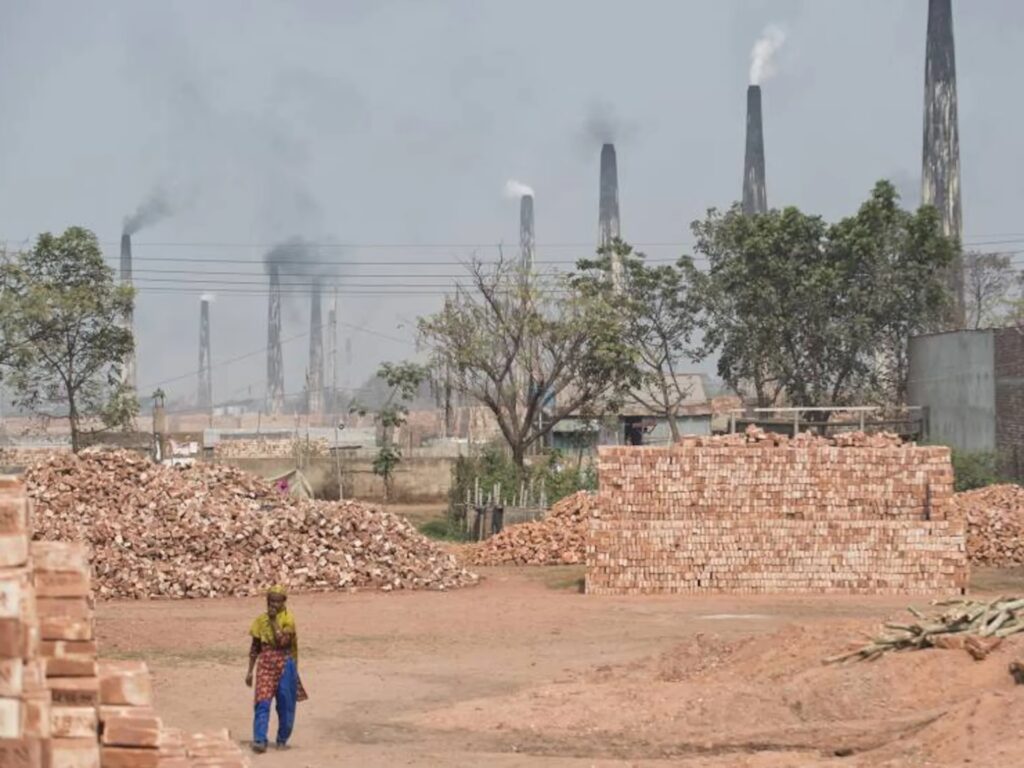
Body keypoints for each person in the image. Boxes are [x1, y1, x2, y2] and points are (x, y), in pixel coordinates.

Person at [246, 585, 307, 753]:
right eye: (271, 601)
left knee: (285, 705)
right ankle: (260, 739)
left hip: (285, 663)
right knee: (262, 702)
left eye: (277, 601)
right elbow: (255, 647)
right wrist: (250, 671)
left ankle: (282, 739)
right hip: (265, 664)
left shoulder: (288, 619)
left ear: (284, 602)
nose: (273, 604)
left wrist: (273, 621)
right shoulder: (260, 621)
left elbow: (283, 642)